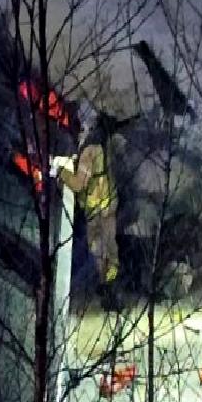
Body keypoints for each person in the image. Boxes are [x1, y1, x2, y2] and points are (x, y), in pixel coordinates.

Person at [52, 112, 120, 297]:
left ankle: (107, 288)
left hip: (96, 207)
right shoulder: (104, 144)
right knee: (110, 247)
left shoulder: (89, 150)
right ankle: (111, 286)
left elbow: (78, 183)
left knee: (97, 248)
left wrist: (59, 172)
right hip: (109, 201)